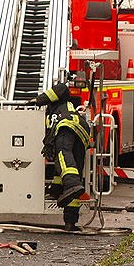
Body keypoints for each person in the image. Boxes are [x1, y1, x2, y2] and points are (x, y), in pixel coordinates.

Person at [35, 83, 91, 232]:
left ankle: (72, 184)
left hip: (68, 126)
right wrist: (55, 190)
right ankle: (70, 222)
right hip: (80, 133)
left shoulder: (61, 94)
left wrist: (35, 100)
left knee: (63, 156)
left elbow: (60, 89)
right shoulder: (55, 110)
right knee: (70, 173)